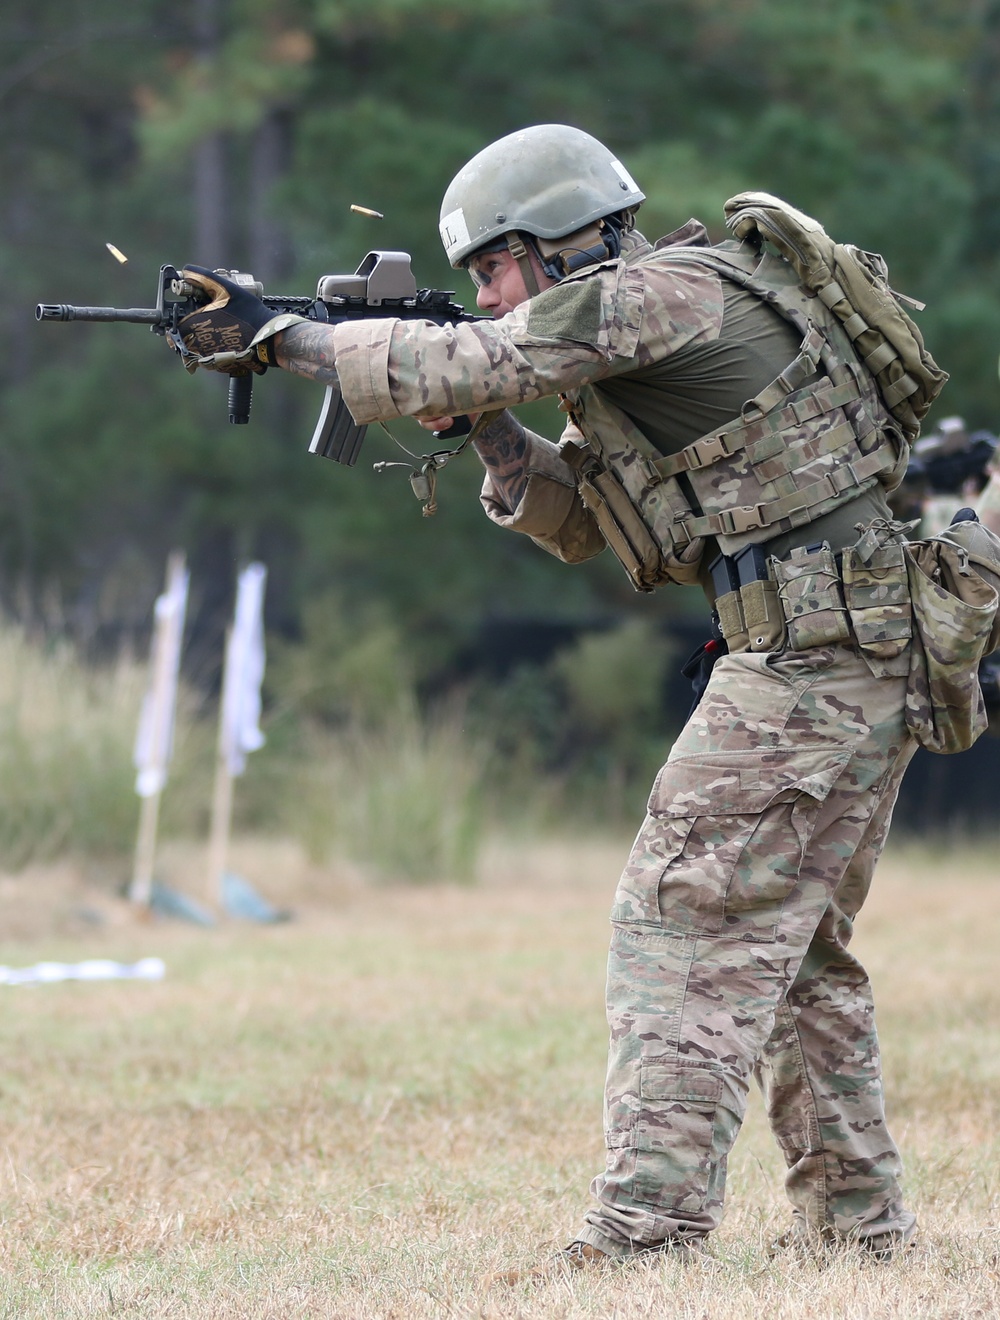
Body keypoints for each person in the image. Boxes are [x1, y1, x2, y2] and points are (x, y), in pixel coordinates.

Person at [176, 125, 929, 1271]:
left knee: (676, 928)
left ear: (562, 240)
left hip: (816, 655)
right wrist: (490, 436)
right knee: (791, 951)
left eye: (491, 268)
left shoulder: (655, 295)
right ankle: (861, 1232)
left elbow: (452, 362)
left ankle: (644, 1235)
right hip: (843, 646)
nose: (483, 295)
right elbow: (587, 523)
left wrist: (282, 337)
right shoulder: (644, 326)